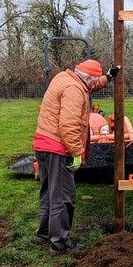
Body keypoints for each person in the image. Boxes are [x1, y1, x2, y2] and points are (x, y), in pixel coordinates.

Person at [33, 58, 120, 253]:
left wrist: (108, 78)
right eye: (93, 80)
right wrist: (77, 153)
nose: (93, 85)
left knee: (48, 192)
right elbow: (68, 126)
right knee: (64, 196)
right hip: (57, 148)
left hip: (43, 144)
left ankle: (45, 233)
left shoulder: (65, 77)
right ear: (86, 77)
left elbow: (89, 86)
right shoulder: (74, 90)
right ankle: (59, 243)